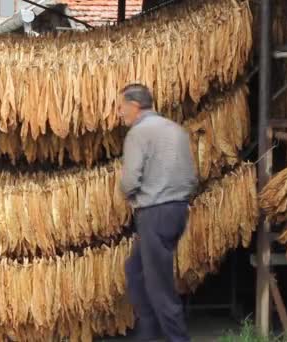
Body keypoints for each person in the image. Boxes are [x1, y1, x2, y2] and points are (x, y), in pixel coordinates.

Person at [118, 84, 198, 342]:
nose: (119, 113)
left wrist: (130, 196)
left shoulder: (138, 133)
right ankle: (148, 333)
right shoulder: (176, 130)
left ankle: (177, 339)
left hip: (154, 213)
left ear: (134, 106)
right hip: (177, 211)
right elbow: (190, 176)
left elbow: (130, 179)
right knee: (135, 270)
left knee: (158, 284)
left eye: (121, 107)